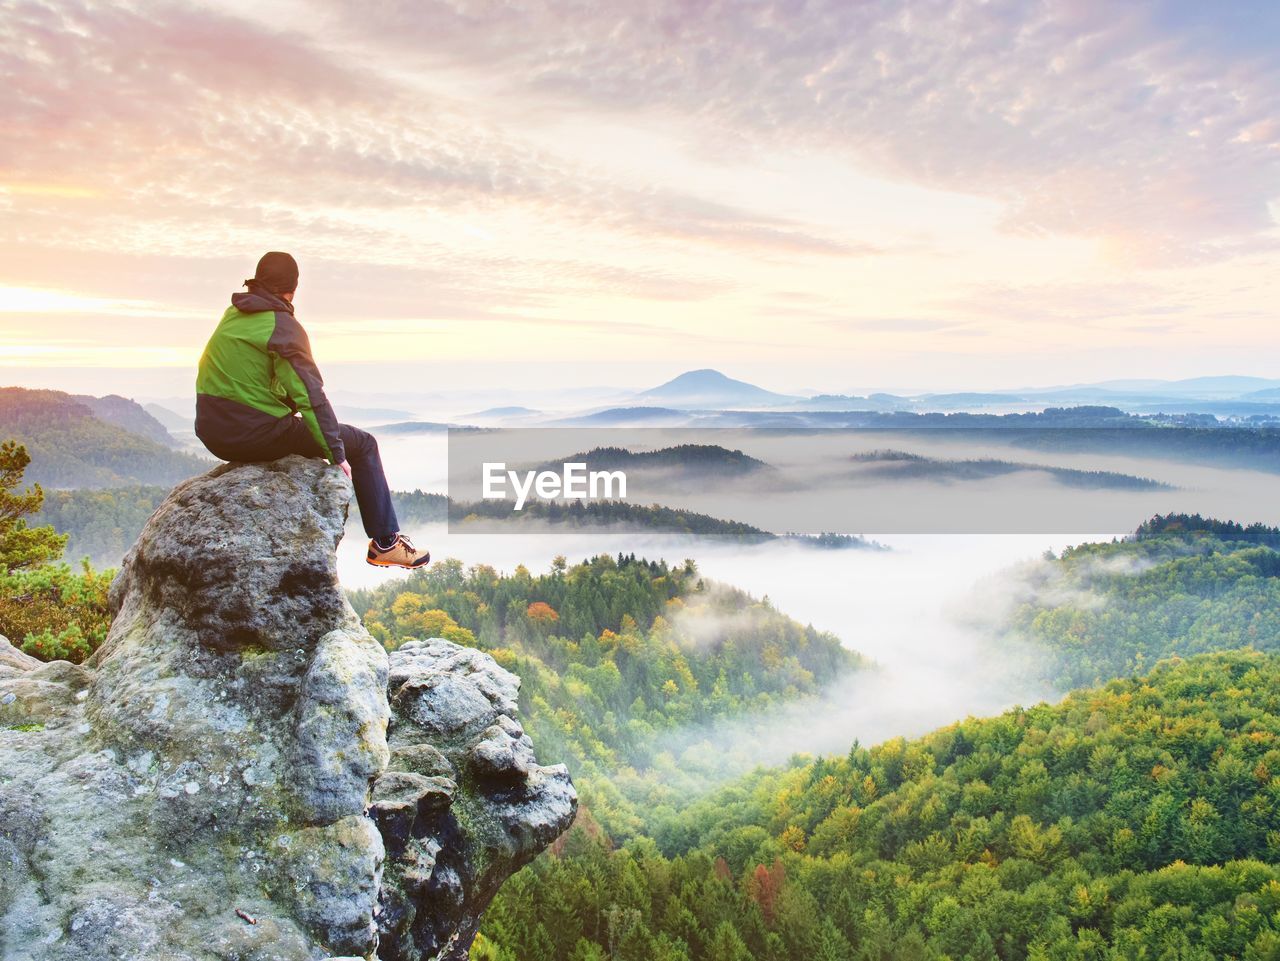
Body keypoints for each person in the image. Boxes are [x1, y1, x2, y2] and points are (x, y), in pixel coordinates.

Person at [194, 251, 430, 569]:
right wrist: (337, 453)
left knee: (305, 430)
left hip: (212, 430)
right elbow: (311, 396)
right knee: (364, 444)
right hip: (253, 433)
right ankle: (385, 543)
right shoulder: (283, 325)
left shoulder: (233, 314)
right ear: (292, 288)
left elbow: (257, 381)